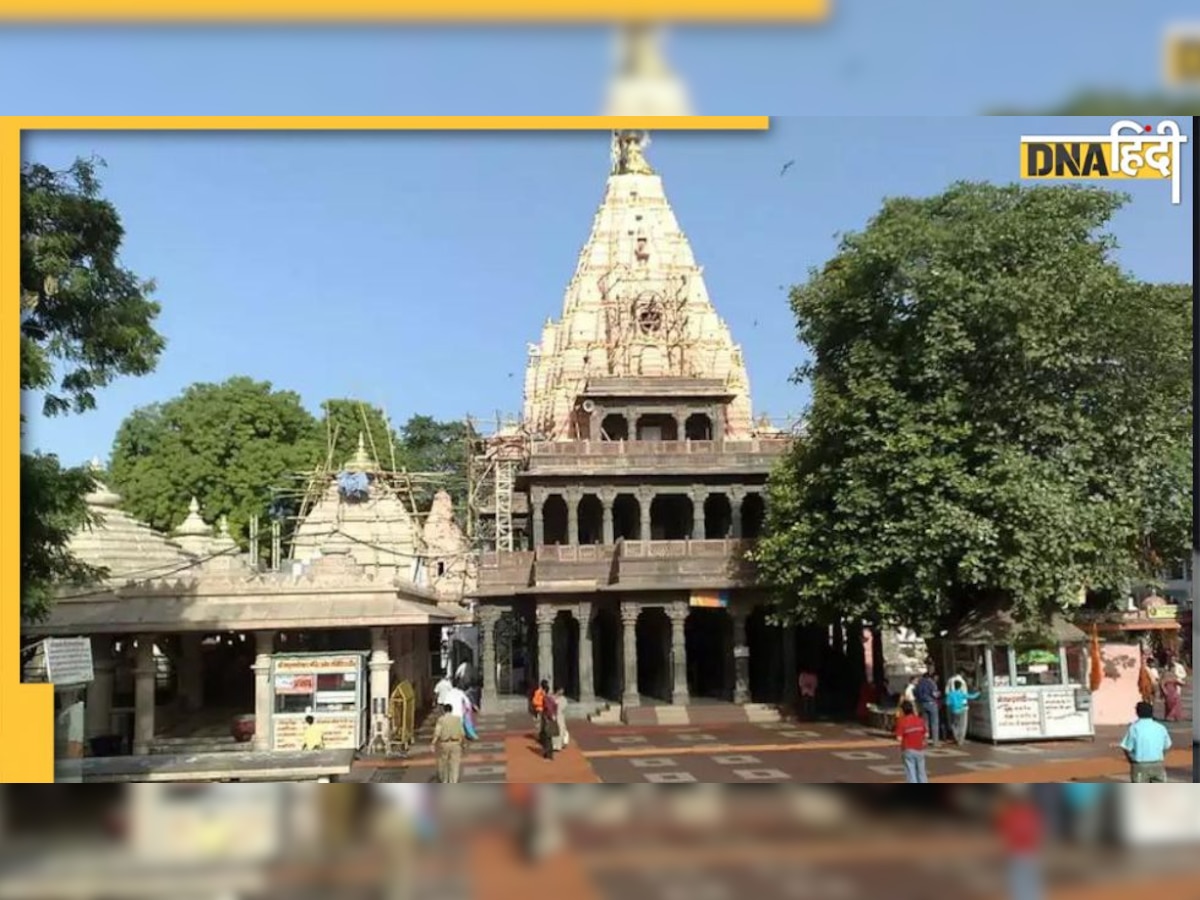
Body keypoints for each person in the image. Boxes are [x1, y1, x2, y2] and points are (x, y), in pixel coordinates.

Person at [997, 785, 1044, 900]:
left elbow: (1004, 831)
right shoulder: (1030, 813)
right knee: (1031, 884)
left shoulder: (1010, 815)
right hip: (1030, 853)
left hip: (1017, 854)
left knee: (1019, 885)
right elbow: (1037, 832)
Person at [1119, 701, 1172, 782]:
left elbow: (1126, 747)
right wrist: (1161, 756)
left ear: (1137, 713)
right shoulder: (1161, 728)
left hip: (1140, 765)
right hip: (1158, 764)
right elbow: (1167, 746)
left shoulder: (1134, 728)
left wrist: (1131, 760)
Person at [894, 700, 928, 783]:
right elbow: (926, 734)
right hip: (920, 748)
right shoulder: (920, 720)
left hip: (908, 748)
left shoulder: (901, 721)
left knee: (910, 772)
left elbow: (899, 738)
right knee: (921, 772)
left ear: (903, 710)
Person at [431, 702, 465, 782]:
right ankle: (453, 782)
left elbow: (437, 732)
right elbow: (462, 732)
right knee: (455, 764)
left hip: (444, 743)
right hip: (456, 743)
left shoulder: (441, 720)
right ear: (451, 710)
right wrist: (464, 743)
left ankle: (445, 781)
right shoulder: (457, 719)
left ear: (444, 710)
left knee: (443, 763)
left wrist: (433, 743)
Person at [944, 675, 981, 746]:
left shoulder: (950, 694)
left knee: (954, 724)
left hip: (954, 710)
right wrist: (978, 693)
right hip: (962, 709)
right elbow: (971, 696)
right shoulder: (961, 694)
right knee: (962, 724)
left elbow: (947, 703)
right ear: (960, 686)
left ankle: (956, 737)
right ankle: (961, 740)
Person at [914, 668, 941, 748]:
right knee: (934, 723)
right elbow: (935, 694)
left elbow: (915, 693)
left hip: (922, 704)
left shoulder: (919, 684)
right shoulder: (931, 683)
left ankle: (924, 740)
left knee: (925, 723)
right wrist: (939, 694)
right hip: (931, 703)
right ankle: (935, 742)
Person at [537, 680, 559, 760]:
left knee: (547, 737)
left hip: (547, 718)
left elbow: (549, 708)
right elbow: (555, 706)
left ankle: (548, 754)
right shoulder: (550, 697)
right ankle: (548, 753)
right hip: (549, 717)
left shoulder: (545, 698)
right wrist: (554, 714)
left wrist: (551, 715)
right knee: (548, 737)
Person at [552, 687, 570, 751]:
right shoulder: (552, 698)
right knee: (554, 731)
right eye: (561, 690)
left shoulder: (563, 699)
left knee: (561, 730)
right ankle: (554, 745)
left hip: (560, 716)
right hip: (553, 716)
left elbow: (564, 707)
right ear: (557, 690)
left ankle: (560, 745)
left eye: (562, 691)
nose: (562, 692)